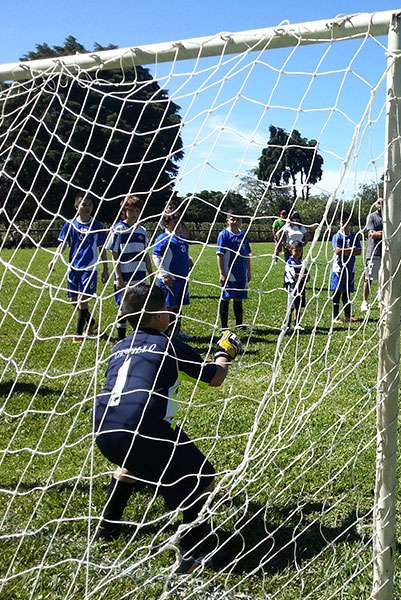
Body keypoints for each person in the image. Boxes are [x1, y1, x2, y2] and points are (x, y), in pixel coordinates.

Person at [93, 283, 242, 573]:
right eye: (167, 307)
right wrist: (225, 352)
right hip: (144, 426)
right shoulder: (169, 345)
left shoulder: (119, 346)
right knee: (202, 477)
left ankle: (108, 525)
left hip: (104, 428)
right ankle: (195, 552)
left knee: (132, 462)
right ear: (160, 315)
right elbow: (215, 378)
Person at [48, 194, 109, 343]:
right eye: (84, 205)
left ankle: (78, 334)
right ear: (77, 207)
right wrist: (54, 259)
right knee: (73, 300)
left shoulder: (97, 225)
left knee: (82, 299)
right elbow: (63, 243)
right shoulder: (70, 224)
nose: (87, 208)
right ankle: (91, 321)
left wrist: (105, 268)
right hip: (73, 267)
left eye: (90, 205)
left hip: (89, 268)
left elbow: (102, 248)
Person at [105, 195, 153, 341]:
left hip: (140, 277)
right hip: (125, 277)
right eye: (130, 210)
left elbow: (146, 255)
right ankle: (121, 340)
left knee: (138, 308)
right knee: (123, 308)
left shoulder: (142, 231)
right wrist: (118, 277)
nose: (133, 213)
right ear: (124, 211)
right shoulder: (118, 229)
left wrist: (151, 275)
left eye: (137, 210)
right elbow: (115, 255)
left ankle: (137, 339)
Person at [152, 209, 193, 338]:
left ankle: (177, 330)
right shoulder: (163, 238)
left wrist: (188, 261)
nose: (178, 224)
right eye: (174, 221)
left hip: (182, 279)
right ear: (166, 223)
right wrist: (164, 275)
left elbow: (181, 255)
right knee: (168, 306)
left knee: (178, 305)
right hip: (170, 279)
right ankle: (165, 332)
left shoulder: (182, 238)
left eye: (179, 221)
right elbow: (156, 257)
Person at [216, 214, 252, 330]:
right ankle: (224, 326)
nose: (235, 221)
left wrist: (248, 271)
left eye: (238, 219)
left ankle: (239, 324)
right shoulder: (223, 235)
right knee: (226, 297)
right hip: (229, 272)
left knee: (239, 297)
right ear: (227, 220)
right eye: (232, 219)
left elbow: (247, 254)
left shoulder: (243, 235)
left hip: (241, 272)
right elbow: (219, 255)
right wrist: (222, 273)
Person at [331, 216, 362, 324]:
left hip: (350, 268)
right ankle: (335, 317)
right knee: (337, 292)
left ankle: (348, 315)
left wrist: (348, 251)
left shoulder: (354, 236)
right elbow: (338, 251)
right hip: (338, 268)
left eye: (347, 222)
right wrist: (351, 250)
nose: (345, 224)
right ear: (339, 223)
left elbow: (359, 252)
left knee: (347, 292)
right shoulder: (336, 236)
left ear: (350, 223)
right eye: (342, 222)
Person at [361, 199, 383, 311]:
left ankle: (382, 300)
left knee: (384, 279)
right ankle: (364, 302)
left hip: (386, 253)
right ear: (375, 205)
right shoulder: (371, 217)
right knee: (369, 278)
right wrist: (384, 233)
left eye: (383, 203)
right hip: (373, 252)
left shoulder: (389, 216)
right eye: (379, 203)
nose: (381, 205)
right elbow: (372, 234)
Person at [283, 240, 307, 331]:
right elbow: (294, 276)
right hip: (292, 286)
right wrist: (302, 276)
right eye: (296, 251)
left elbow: (308, 276)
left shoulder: (301, 262)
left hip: (301, 286)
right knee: (291, 306)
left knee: (299, 305)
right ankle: (287, 325)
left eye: (300, 251)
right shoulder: (290, 262)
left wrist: (303, 276)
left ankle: (296, 323)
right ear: (291, 251)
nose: (298, 253)